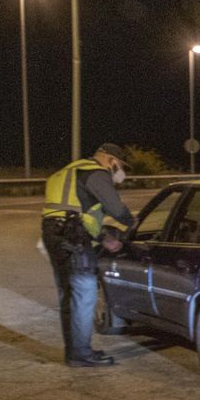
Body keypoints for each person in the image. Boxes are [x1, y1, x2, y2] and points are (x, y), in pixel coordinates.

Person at [40, 143, 134, 367]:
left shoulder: (69, 171)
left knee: (68, 295)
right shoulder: (97, 172)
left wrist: (102, 237)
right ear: (111, 160)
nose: (120, 171)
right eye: (120, 166)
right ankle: (81, 354)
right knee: (85, 294)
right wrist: (131, 221)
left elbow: (80, 214)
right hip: (72, 239)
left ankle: (75, 351)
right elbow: (115, 208)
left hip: (55, 233)